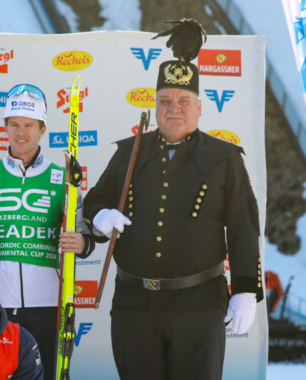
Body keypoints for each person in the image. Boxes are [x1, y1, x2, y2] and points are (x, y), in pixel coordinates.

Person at [82, 19, 263, 380]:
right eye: (165, 100)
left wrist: (245, 289)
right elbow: (95, 199)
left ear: (199, 108)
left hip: (200, 306)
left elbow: (244, 228)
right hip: (135, 306)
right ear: (155, 105)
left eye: (183, 101)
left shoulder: (225, 159)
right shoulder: (129, 152)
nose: (173, 108)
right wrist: (100, 217)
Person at [0, 83, 95, 380]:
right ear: (5, 127)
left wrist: (82, 243)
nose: (20, 132)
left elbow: (85, 237)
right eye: (14, 125)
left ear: (42, 129)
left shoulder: (63, 179)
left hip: (50, 304)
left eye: (28, 125)